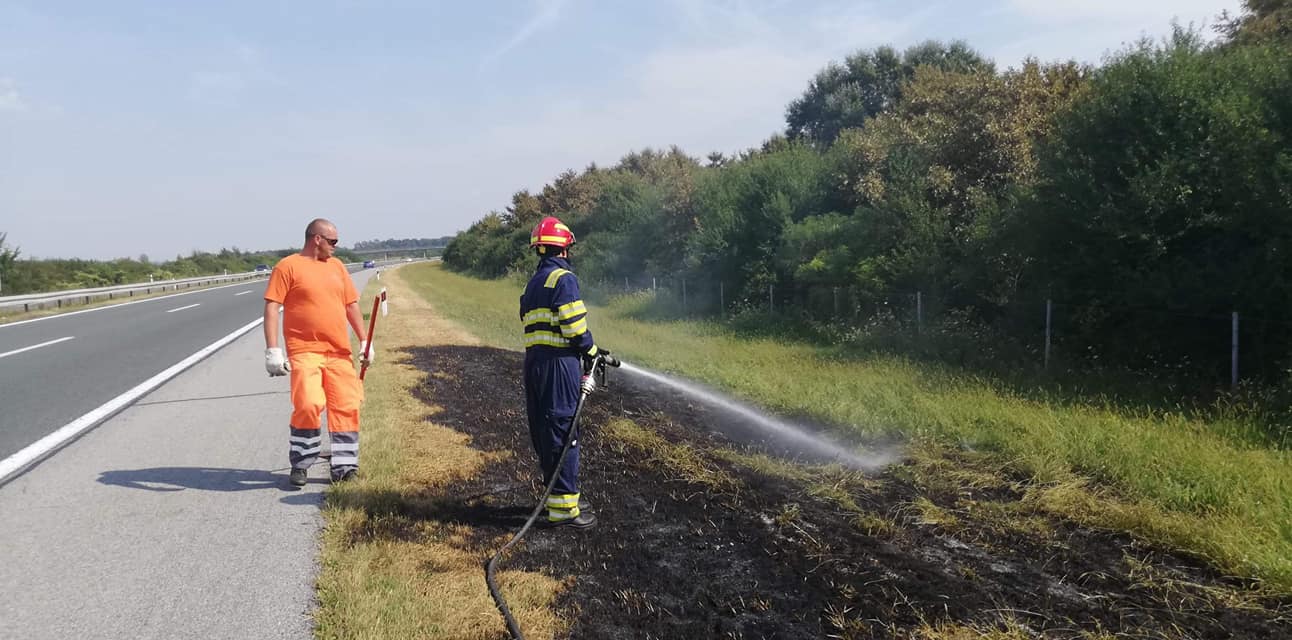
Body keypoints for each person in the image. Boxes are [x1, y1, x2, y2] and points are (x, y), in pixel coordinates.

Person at [263, 218, 371, 487]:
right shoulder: (287, 266)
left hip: (338, 353)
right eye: (333, 241)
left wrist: (365, 341)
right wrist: (273, 350)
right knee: (308, 404)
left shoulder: (337, 267)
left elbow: (351, 305)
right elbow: (272, 307)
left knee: (347, 406)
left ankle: (345, 467)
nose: (336, 246)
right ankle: (301, 462)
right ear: (317, 239)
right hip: (304, 351)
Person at [520, 216, 607, 528]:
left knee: (547, 432)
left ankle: (557, 497)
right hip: (559, 366)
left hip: (535, 364)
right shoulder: (564, 279)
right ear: (565, 249)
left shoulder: (534, 283)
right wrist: (591, 350)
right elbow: (573, 327)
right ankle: (564, 510)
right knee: (564, 432)